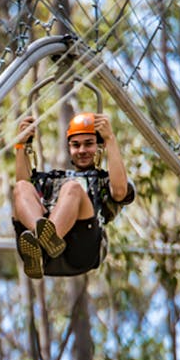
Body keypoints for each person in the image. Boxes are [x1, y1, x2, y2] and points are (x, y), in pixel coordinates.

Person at [11, 112, 134, 278]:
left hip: (80, 250)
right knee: (21, 186)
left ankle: (44, 243)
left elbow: (119, 192)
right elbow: (22, 196)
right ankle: (42, 244)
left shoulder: (103, 182)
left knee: (72, 188)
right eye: (76, 145)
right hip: (42, 260)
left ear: (99, 146)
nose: (82, 150)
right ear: (69, 148)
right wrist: (21, 145)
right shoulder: (51, 179)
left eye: (88, 144)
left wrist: (110, 139)